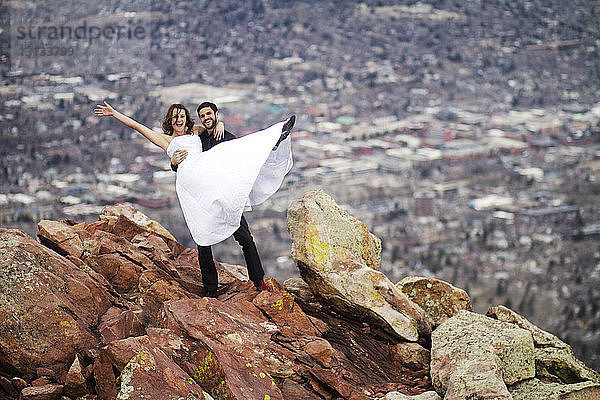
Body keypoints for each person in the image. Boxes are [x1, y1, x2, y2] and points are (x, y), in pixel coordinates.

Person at [94, 101, 295, 298]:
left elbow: (212, 125)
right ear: (170, 122)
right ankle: (211, 289)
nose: (179, 120)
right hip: (191, 189)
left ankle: (275, 136)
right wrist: (114, 113)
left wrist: (220, 124)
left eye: (182, 116)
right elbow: (137, 126)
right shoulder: (166, 140)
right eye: (175, 117)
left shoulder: (195, 132)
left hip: (211, 183)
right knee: (202, 238)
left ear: (187, 119)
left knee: (243, 235)